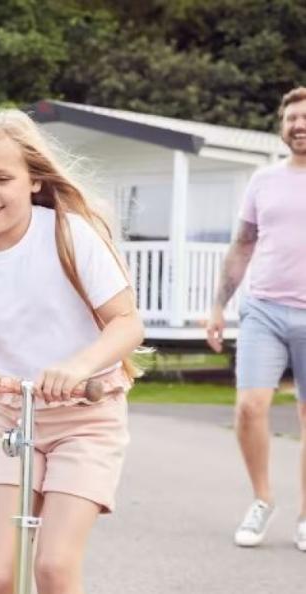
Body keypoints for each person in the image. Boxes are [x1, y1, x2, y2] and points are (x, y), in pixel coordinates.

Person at [0, 109, 144, 594]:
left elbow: (126, 323)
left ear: (34, 182)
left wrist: (77, 365)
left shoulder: (68, 233)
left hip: (87, 415)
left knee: (53, 568)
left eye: (3, 178)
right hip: (13, 418)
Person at [206, 87, 306, 552]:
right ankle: (262, 499)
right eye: (291, 118)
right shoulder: (263, 180)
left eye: (305, 117)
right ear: (281, 126)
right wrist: (217, 306)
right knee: (249, 408)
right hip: (262, 308)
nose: (298, 125)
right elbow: (243, 244)